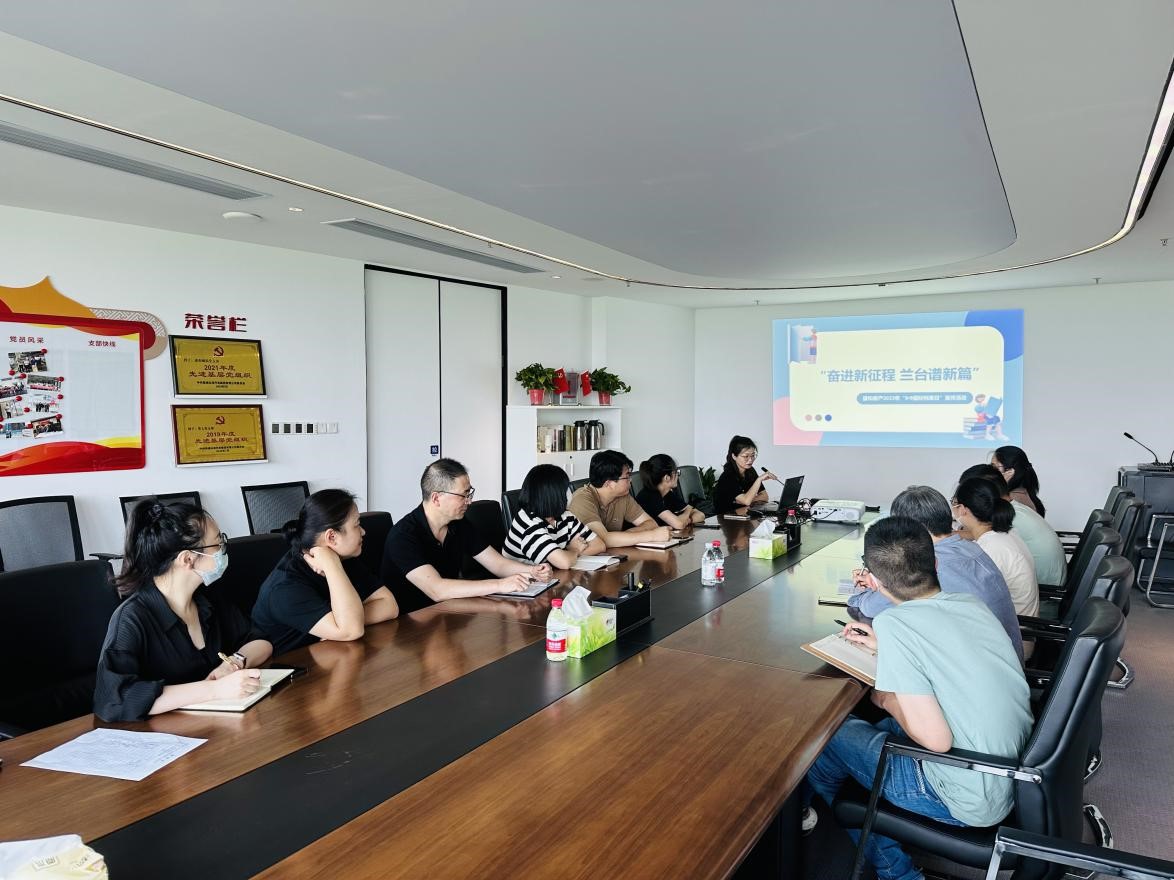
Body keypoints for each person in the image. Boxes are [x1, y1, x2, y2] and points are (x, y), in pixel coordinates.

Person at [804, 516, 1032, 880]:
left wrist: (885, 698)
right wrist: (886, 647)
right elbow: (950, 654)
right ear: (936, 562)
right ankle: (827, 805)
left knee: (824, 732)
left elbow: (936, 741)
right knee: (864, 735)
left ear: (874, 581)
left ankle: (897, 872)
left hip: (964, 792)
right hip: (1012, 775)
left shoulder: (895, 624)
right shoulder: (969, 604)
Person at [94, 501, 273, 721]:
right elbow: (115, 700)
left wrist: (233, 662)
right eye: (218, 543)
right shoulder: (132, 618)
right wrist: (214, 690)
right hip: (165, 733)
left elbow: (261, 642)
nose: (223, 549)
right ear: (187, 559)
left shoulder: (208, 597)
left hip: (220, 723)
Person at [848, 485, 1023, 662]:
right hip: (1007, 661)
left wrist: (874, 582)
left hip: (977, 665)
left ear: (911, 530)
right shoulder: (971, 548)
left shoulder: (927, 564)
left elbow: (870, 608)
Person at [382, 459, 553, 615]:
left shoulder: (459, 524)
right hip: (409, 622)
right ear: (436, 498)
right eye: (463, 495)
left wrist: (532, 571)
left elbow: (497, 564)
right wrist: (500, 584)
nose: (469, 501)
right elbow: (437, 590)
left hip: (447, 611)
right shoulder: (403, 536)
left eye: (469, 493)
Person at [252, 489, 399, 657]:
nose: (363, 531)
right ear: (332, 537)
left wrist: (345, 620)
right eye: (357, 524)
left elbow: (389, 606)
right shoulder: (285, 587)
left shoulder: (345, 557)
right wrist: (331, 564)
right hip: (291, 665)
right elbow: (352, 630)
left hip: (334, 655)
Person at [960, 464, 1067, 586]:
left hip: (1045, 589)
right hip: (1048, 582)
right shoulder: (1014, 509)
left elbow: (982, 536)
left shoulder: (1009, 517)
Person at [951, 477, 1039, 617]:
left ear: (962, 509)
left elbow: (970, 599)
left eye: (954, 503)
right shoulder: (1005, 533)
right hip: (1020, 620)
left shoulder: (988, 549)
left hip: (1014, 627)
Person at [504, 464, 606, 567]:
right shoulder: (528, 522)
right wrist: (575, 550)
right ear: (553, 495)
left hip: (553, 573)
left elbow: (599, 545)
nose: (569, 493)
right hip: (525, 576)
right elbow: (564, 563)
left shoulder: (565, 516)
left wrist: (567, 555)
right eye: (565, 489)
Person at [567, 450, 674, 548]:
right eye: (627, 477)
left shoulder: (622, 496)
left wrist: (626, 535)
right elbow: (604, 540)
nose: (631, 480)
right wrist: (652, 536)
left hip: (616, 555)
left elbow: (651, 523)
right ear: (609, 483)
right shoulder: (582, 500)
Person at [635, 454, 706, 529]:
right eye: (676, 473)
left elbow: (701, 515)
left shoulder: (667, 494)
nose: (678, 476)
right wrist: (688, 510)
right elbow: (679, 524)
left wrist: (688, 520)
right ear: (667, 477)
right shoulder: (649, 496)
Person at [713, 435, 780, 513]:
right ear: (734, 456)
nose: (750, 460)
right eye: (746, 456)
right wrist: (759, 480)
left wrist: (746, 500)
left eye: (753, 455)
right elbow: (746, 501)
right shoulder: (728, 476)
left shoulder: (750, 471)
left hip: (744, 513)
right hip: (727, 517)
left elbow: (765, 497)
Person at [992, 445, 1045, 516]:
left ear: (1010, 472)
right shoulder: (1022, 493)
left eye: (994, 468)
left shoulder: (1012, 499)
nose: (990, 471)